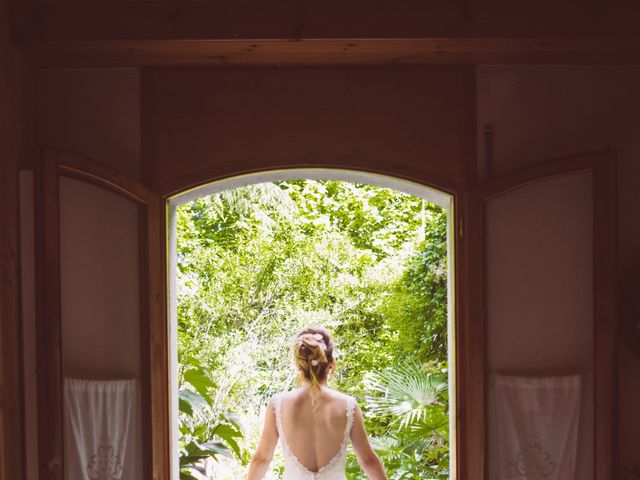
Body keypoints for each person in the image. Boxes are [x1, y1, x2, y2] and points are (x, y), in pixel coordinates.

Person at [246, 327, 388, 480]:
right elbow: (368, 461)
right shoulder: (348, 406)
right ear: (331, 364)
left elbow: (261, 459)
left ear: (299, 366)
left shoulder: (278, 405)